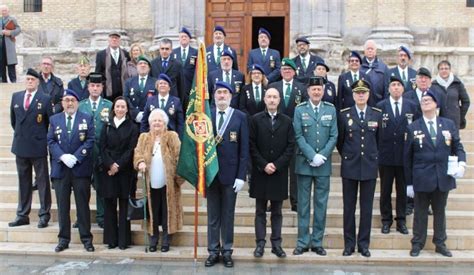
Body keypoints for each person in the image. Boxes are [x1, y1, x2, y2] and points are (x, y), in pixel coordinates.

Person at [404, 90, 466, 258]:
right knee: (420, 213)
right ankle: (417, 243)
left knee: (440, 212)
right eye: (423, 100)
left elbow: (457, 147)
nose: (425, 102)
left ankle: (440, 243)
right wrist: (409, 183)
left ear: (436, 104)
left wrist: (462, 163)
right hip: (422, 177)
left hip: (442, 177)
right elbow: (407, 158)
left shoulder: (448, 124)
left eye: (429, 100)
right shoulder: (413, 127)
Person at [205, 81, 249, 268]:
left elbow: (244, 149)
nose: (221, 95)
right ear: (214, 96)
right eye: (218, 92)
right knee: (213, 215)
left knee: (228, 215)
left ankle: (228, 250)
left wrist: (241, 176)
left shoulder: (240, 117)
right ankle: (213, 251)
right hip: (212, 174)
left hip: (231, 175)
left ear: (230, 96)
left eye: (225, 92)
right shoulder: (207, 116)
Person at [292, 76, 338, 256]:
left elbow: (334, 135)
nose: (316, 92)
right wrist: (312, 155)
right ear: (308, 91)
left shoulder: (331, 109)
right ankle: (303, 241)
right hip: (304, 163)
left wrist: (322, 156)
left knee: (321, 204)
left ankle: (317, 241)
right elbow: (298, 135)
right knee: (303, 205)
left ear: (323, 90)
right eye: (313, 89)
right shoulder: (299, 109)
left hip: (323, 165)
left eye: (319, 89)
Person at [337, 79, 382, 258]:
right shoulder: (344, 114)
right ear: (353, 95)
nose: (361, 95)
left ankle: (363, 244)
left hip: (369, 167)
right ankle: (349, 244)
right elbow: (340, 142)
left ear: (368, 95)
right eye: (358, 92)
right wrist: (349, 156)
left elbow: (379, 141)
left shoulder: (376, 114)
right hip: (350, 166)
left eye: (364, 92)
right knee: (349, 208)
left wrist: (372, 157)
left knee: (366, 208)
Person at [249, 87, 295, 258]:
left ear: (279, 99)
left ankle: (276, 244)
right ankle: (260, 244)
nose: (272, 100)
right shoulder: (255, 120)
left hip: (279, 173)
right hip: (261, 172)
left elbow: (291, 146)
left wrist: (276, 164)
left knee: (277, 211)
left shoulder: (287, 121)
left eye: (275, 97)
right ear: (264, 99)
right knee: (260, 211)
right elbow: (251, 145)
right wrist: (263, 164)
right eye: (269, 96)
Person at [47, 89, 95, 253]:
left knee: (83, 206)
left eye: (72, 100)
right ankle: (63, 239)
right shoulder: (55, 119)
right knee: (62, 207)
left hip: (80, 169)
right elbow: (51, 141)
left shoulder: (86, 118)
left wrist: (76, 157)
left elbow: (90, 140)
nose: (69, 103)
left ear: (77, 103)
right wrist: (62, 156)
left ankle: (86, 239)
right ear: (62, 103)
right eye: (66, 100)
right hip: (61, 169)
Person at [134, 108, 184, 253]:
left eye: (159, 120)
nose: (157, 123)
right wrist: (140, 162)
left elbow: (179, 156)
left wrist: (178, 178)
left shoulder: (172, 136)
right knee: (152, 212)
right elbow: (137, 153)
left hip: (168, 182)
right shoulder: (144, 137)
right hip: (150, 182)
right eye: (154, 120)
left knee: (167, 211)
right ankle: (153, 240)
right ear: (149, 123)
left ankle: (166, 241)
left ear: (165, 123)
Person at [377, 76, 420, 235]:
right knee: (385, 190)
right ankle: (386, 220)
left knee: (402, 190)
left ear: (403, 89)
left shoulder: (412, 106)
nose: (395, 88)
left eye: (398, 85)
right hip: (386, 156)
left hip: (404, 157)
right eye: (393, 85)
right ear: (389, 89)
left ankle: (401, 221)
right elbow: (376, 133)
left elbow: (416, 130)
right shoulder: (380, 106)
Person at [9, 68, 52, 228]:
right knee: (23, 180)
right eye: (27, 79)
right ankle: (22, 214)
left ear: (37, 82)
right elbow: (14, 122)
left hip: (38, 145)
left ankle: (44, 213)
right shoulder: (16, 97)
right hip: (20, 145)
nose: (29, 82)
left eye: (32, 80)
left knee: (42, 181)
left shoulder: (45, 99)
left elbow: (49, 123)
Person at [99, 96, 139, 250]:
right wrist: (110, 164)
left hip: (124, 171)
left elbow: (131, 149)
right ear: (113, 109)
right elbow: (101, 147)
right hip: (108, 171)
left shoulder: (133, 127)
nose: (120, 109)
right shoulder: (107, 125)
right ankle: (111, 240)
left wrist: (118, 165)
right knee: (109, 205)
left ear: (127, 109)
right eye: (117, 106)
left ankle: (123, 240)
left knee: (123, 205)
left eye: (123, 107)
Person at [268, 58, 307, 212]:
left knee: (294, 169)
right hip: (276, 134)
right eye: (284, 70)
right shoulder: (273, 87)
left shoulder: (301, 88)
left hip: (295, 134)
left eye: (289, 70)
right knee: (276, 168)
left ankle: (295, 201)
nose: (287, 72)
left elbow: (304, 111)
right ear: (281, 72)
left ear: (294, 72)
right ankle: (274, 200)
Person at [78, 72, 113, 229]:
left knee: (101, 185)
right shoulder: (81, 105)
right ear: (88, 87)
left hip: (101, 152)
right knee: (82, 187)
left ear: (102, 88)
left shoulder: (108, 105)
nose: (95, 88)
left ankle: (101, 216)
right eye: (92, 85)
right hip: (84, 152)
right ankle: (82, 217)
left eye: (98, 86)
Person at [431, 60, 470, 130]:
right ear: (438, 71)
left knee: (454, 140)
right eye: (441, 69)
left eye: (446, 68)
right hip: (439, 120)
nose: (444, 70)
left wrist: (459, 115)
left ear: (450, 70)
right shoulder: (434, 85)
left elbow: (466, 102)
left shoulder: (457, 83)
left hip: (454, 121)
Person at [95, 31, 130, 102]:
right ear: (109, 40)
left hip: (123, 90)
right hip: (107, 92)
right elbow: (98, 73)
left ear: (119, 40)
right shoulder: (101, 54)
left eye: (116, 38)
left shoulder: (125, 54)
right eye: (112, 38)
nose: (114, 40)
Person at [124, 55, 157, 124]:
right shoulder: (129, 82)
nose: (143, 65)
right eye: (140, 63)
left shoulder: (155, 82)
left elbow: (157, 99)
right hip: (132, 119)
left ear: (149, 68)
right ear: (136, 67)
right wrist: (136, 113)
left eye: (145, 64)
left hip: (150, 119)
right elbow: (126, 98)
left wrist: (146, 114)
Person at [172, 27, 198, 110]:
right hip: (177, 87)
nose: (183, 38)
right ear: (179, 39)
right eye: (182, 37)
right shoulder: (173, 52)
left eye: (185, 36)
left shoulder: (195, 52)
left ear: (189, 39)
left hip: (190, 87)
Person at [360, 40, 388, 104]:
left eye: (372, 49)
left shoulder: (383, 67)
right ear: (364, 51)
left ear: (375, 51)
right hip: (362, 103)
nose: (370, 50)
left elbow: (386, 89)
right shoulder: (359, 66)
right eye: (368, 49)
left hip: (378, 103)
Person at [0, 5, 20, 83]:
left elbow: (18, 29)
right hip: (1, 45)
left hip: (9, 45)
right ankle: (3, 81)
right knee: (1, 64)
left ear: (8, 11)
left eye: (5, 10)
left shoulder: (12, 19)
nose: (4, 12)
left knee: (11, 64)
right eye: (2, 10)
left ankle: (13, 81)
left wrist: (10, 33)